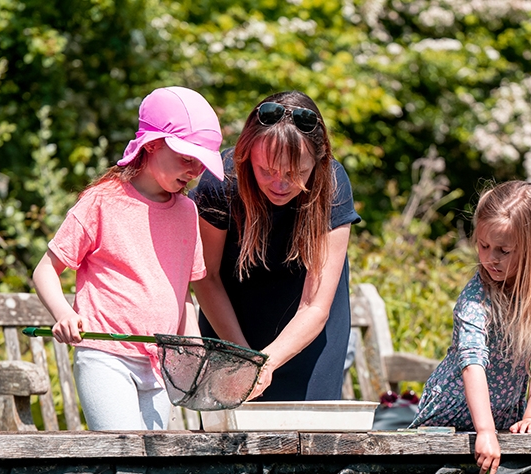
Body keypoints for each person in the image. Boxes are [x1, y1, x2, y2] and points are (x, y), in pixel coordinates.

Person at [32, 86, 224, 431]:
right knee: (123, 456)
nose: (194, 170)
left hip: (159, 362)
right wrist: (63, 313)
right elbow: (45, 270)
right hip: (106, 358)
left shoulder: (187, 212)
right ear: (151, 144)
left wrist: (191, 346)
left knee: (151, 473)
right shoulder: (102, 201)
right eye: (185, 157)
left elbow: (183, 295)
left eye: (200, 161)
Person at [190, 91, 360, 401]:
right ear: (246, 156)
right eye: (266, 171)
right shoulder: (221, 182)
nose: (280, 185)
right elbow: (206, 276)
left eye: (296, 174)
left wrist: (266, 364)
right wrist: (244, 357)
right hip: (230, 323)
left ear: (318, 162)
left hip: (308, 332)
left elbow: (316, 306)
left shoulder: (332, 184)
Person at [411, 181, 531, 474]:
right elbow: (472, 361)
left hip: (504, 416)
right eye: (483, 246)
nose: (490, 258)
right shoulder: (477, 295)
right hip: (451, 413)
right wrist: (484, 430)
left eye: (504, 250)